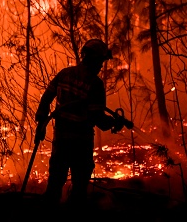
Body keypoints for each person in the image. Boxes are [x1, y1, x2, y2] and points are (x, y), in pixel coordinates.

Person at [34, 39, 124, 207]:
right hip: (81, 143)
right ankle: (75, 219)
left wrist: (41, 123)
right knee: (79, 186)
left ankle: (47, 214)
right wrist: (114, 123)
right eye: (100, 61)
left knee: (55, 180)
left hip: (61, 139)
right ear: (94, 60)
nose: (100, 66)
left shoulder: (64, 74)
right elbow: (98, 119)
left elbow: (46, 98)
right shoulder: (95, 84)